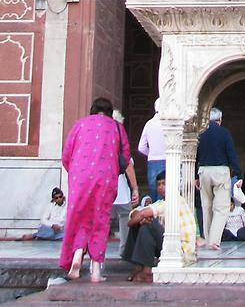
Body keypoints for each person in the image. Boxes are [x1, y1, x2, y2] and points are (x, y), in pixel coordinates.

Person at [59, 97, 139, 282]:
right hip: (105, 178)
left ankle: (77, 256)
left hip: (80, 177)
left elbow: (66, 155)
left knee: (79, 217)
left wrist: (77, 172)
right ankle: (96, 271)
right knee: (99, 220)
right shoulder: (116, 127)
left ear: (92, 110)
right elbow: (125, 158)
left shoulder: (80, 125)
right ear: (110, 112)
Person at [122, 171, 197, 283]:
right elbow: (136, 212)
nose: (161, 187)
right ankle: (139, 266)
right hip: (170, 246)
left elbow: (142, 214)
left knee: (148, 223)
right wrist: (138, 218)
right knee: (144, 221)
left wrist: (133, 222)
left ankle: (146, 270)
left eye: (164, 184)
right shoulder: (162, 202)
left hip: (181, 252)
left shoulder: (175, 200)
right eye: (158, 184)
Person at [196, 106, 241, 249]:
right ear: (220, 120)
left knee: (206, 206)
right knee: (221, 208)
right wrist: (239, 173)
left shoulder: (200, 132)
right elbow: (231, 153)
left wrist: (194, 176)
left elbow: (194, 154)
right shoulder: (224, 133)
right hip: (221, 171)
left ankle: (208, 237)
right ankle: (214, 241)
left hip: (203, 170)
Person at [111, 110, 135, 254]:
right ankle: (124, 249)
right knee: (125, 215)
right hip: (119, 186)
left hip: (101, 186)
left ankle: (94, 255)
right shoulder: (119, 139)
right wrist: (135, 188)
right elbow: (127, 164)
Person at [138, 98, 167, 205]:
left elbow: (141, 147)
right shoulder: (169, 123)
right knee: (167, 196)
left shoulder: (149, 124)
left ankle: (154, 219)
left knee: (154, 195)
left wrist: (151, 153)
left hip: (153, 163)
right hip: (168, 161)